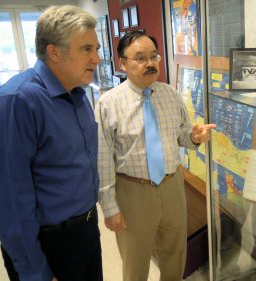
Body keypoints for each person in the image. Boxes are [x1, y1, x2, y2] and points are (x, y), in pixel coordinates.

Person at [95, 30, 215, 281]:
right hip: (132, 192)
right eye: (140, 58)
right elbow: (103, 159)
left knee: (175, 257)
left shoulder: (170, 94)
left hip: (172, 186)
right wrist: (109, 207)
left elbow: (182, 134)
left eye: (154, 56)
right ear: (123, 63)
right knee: (135, 263)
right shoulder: (109, 103)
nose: (150, 63)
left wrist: (194, 137)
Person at [0, 5, 102, 281]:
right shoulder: (17, 101)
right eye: (86, 49)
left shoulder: (78, 94)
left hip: (87, 231)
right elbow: (10, 201)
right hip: (50, 243)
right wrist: (35, 272)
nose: (97, 58)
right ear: (54, 51)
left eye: (97, 49)